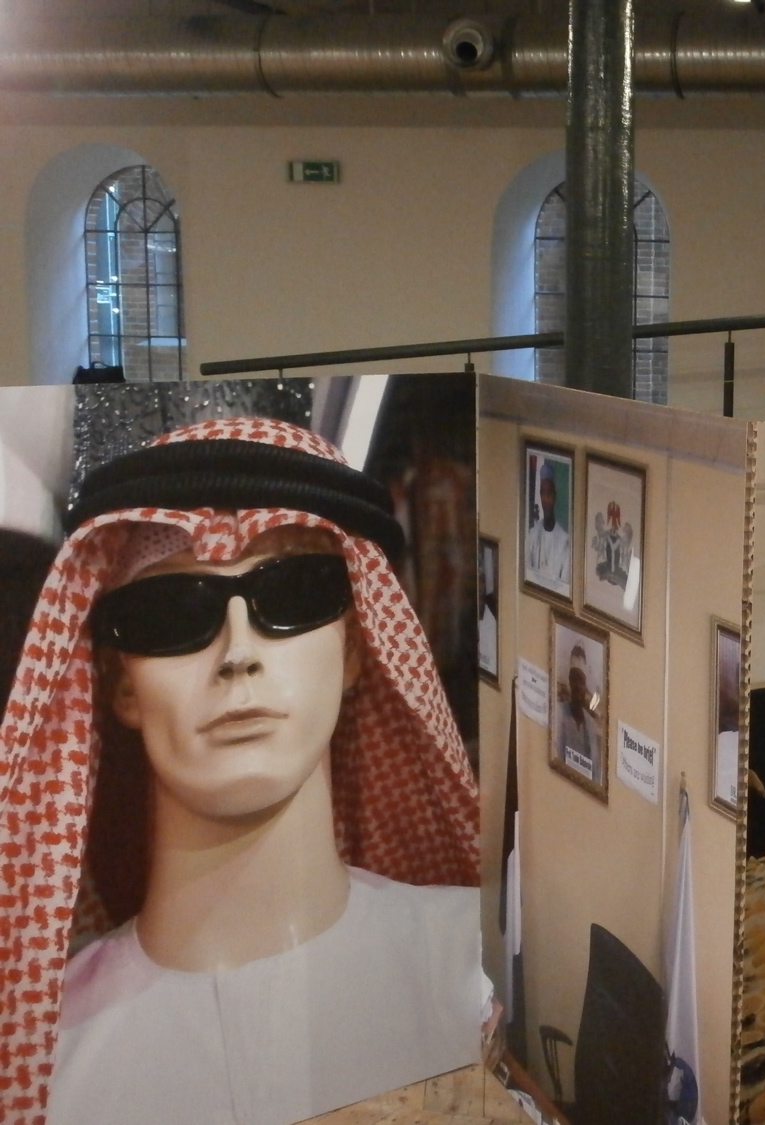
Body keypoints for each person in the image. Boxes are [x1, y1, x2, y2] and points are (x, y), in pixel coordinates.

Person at [1, 419, 483, 1125]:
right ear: (121, 683)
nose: (237, 654)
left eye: (292, 595)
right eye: (174, 612)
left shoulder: (478, 975)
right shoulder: (41, 1060)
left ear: (356, 649)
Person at [555, 644, 605, 785]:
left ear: (586, 686)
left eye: (581, 681)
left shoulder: (590, 724)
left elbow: (595, 772)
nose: (577, 685)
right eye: (573, 679)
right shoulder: (559, 713)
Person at [524, 460, 570, 590]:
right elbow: (527, 575)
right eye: (543, 493)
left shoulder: (564, 540)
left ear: (554, 496)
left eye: (549, 493)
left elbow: (563, 586)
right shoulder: (533, 535)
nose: (546, 499)